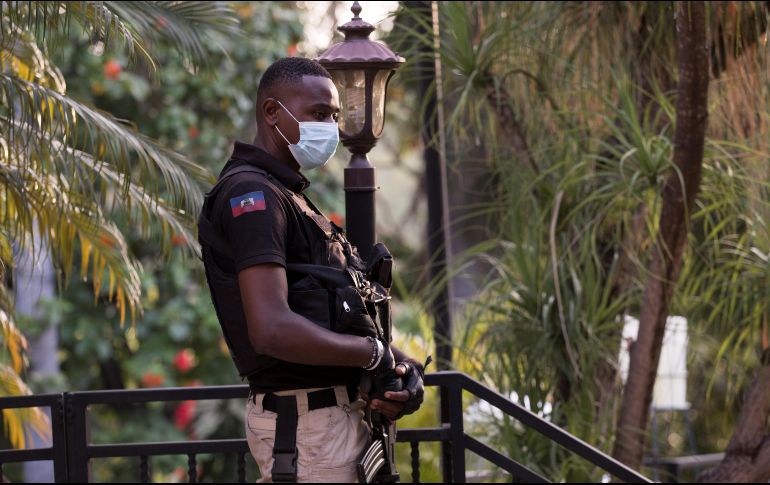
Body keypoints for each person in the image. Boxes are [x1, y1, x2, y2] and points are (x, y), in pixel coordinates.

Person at [198, 57, 426, 483]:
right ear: (272, 113)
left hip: (333, 421)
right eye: (319, 114)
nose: (331, 127)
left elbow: (330, 312)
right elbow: (271, 328)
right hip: (307, 427)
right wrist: (370, 354)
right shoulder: (253, 195)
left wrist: (399, 368)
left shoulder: (289, 194)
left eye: (335, 116)